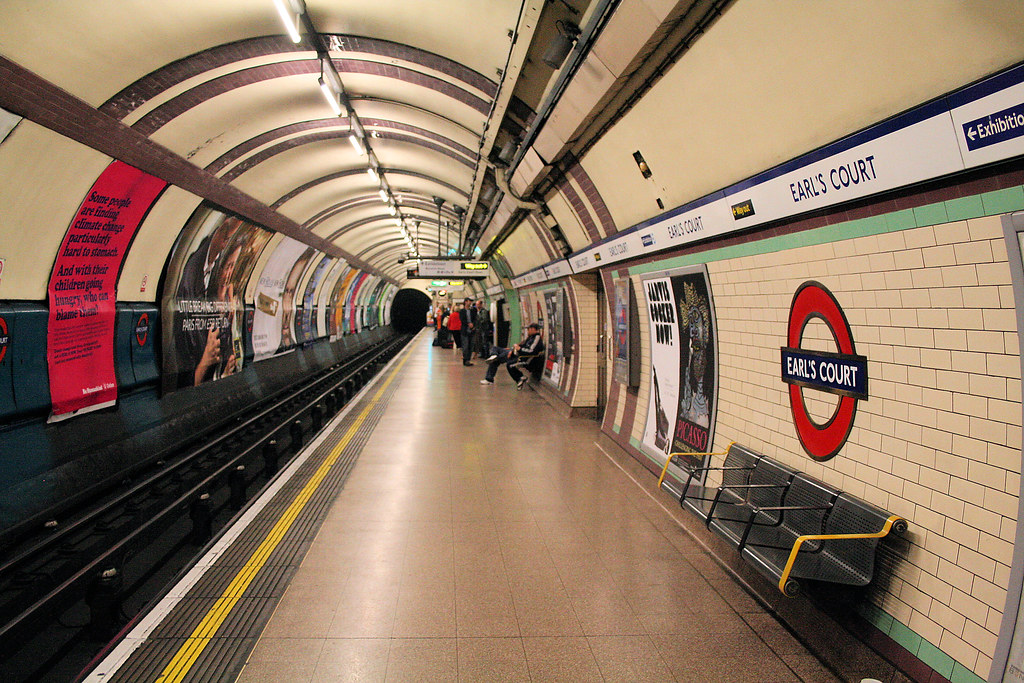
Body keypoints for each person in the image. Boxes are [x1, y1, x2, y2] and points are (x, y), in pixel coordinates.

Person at [480, 322, 544, 389]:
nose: (527, 331)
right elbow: (522, 345)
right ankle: (494, 356)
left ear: (533, 329)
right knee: (495, 348)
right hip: (514, 352)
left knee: (496, 360)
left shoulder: (536, 338)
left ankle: (489, 377)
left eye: (529, 329)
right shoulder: (530, 337)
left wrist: (519, 349)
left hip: (519, 356)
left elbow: (531, 351)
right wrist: (512, 349)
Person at [459, 297, 476, 366]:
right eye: (469, 301)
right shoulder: (462, 311)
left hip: (472, 331)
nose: (470, 303)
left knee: (471, 346)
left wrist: (473, 325)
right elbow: (462, 319)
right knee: (465, 346)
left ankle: (468, 360)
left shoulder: (472, 310)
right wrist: (468, 324)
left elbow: (475, 318)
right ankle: (465, 360)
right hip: (465, 331)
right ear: (465, 302)